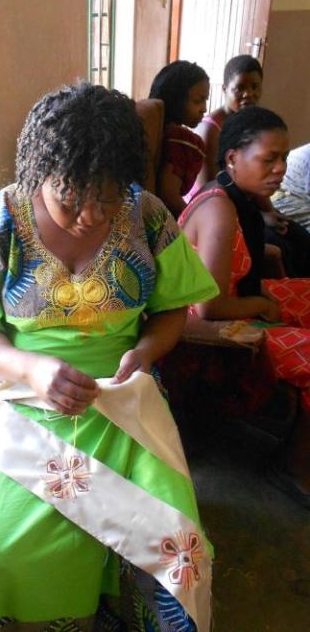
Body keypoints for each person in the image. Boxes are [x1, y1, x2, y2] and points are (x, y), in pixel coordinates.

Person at [0, 82, 218, 631]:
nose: (90, 215)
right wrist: (31, 368)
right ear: (39, 174)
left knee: (176, 553)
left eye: (108, 196)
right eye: (71, 198)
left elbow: (171, 312)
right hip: (20, 401)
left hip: (122, 401)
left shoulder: (149, 218)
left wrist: (146, 351)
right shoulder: (0, 223)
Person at [179, 105, 310, 509]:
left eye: (284, 158)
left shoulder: (243, 198)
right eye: (268, 159)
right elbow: (207, 307)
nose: (280, 169)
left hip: (239, 299)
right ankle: (294, 466)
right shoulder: (219, 208)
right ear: (233, 157)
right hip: (208, 328)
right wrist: (261, 304)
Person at [194, 54, 310, 277]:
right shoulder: (211, 129)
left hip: (246, 205)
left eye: (255, 87)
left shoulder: (254, 123)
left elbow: (256, 181)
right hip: (228, 205)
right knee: (277, 246)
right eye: (240, 88)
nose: (249, 94)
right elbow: (211, 185)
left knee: (298, 236)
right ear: (225, 89)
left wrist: (271, 212)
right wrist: (261, 216)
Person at [149, 60, 209, 218]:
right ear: (176, 100)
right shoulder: (182, 141)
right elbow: (169, 196)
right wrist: (194, 219)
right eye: (197, 101)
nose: (204, 108)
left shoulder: (154, 126)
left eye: (205, 100)